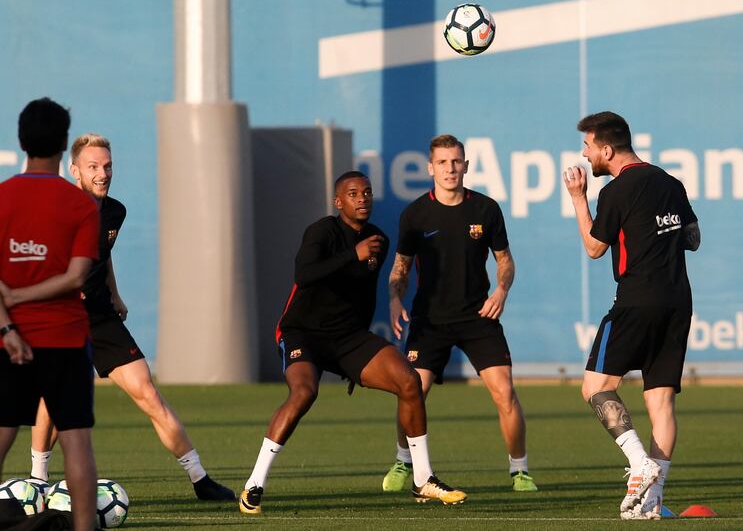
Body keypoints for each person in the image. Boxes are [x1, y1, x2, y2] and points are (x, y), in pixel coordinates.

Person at [3, 132, 235, 501]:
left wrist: (114, 291)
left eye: (108, 166)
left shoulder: (115, 211)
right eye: (93, 166)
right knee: (50, 398)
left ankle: (200, 478)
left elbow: (103, 251)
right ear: (74, 170)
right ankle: (38, 479)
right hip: (59, 317)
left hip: (100, 315)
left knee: (149, 394)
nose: (102, 173)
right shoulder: (56, 207)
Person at [239, 171, 466, 514]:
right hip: (303, 332)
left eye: (367, 192)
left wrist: (355, 362)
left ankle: (423, 480)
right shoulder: (322, 231)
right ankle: (254, 485)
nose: (362, 198)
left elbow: (360, 298)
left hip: (348, 337)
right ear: (338, 201)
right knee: (304, 393)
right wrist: (352, 254)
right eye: (353, 193)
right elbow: (304, 275)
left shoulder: (379, 240)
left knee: (409, 381)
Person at [562, 111, 700, 519]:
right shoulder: (670, 183)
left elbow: (594, 247)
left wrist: (577, 198)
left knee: (595, 387)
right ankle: (652, 502)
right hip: (678, 301)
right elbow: (693, 238)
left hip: (636, 299)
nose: (585, 156)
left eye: (588, 147)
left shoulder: (615, 191)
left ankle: (640, 463)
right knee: (661, 401)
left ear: (607, 149)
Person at [381, 134, 537, 493]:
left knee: (505, 393)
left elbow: (505, 262)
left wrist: (502, 290)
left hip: (478, 318)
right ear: (430, 167)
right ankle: (404, 461)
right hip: (429, 320)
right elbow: (400, 269)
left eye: (456, 162)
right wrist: (393, 298)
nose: (450, 169)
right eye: (443, 162)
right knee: (411, 391)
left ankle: (520, 471)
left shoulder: (485, 209)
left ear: (466, 165)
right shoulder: (415, 214)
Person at [0, 98, 100, 531]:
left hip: (9, 342)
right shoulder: (80, 205)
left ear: (22, 140)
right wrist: (24, 299)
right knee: (76, 440)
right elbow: (77, 276)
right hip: (66, 340)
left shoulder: (2, 197)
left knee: (2, 432)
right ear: (64, 143)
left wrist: (8, 322)